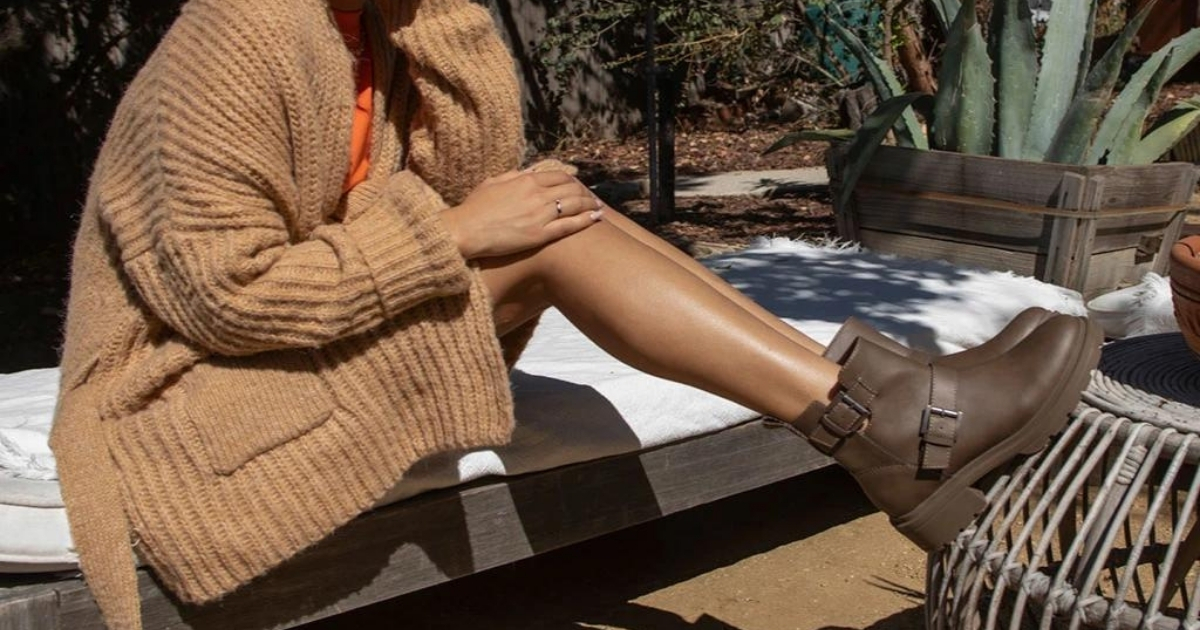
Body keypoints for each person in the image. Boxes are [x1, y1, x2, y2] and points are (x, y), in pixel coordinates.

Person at [49, 0, 1102, 628]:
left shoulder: (364, 25)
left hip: (302, 343)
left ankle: (884, 411)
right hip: (189, 389)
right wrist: (454, 238)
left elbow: (474, 174)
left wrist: (450, 27)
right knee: (546, 229)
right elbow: (221, 299)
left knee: (554, 201)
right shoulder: (239, 37)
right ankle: (881, 422)